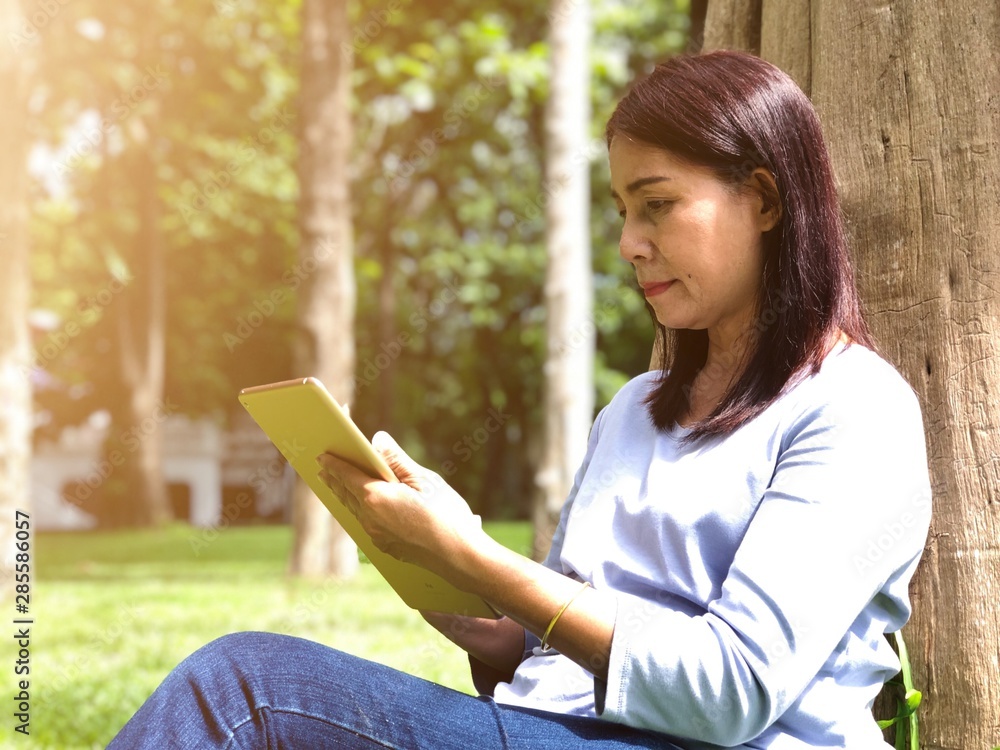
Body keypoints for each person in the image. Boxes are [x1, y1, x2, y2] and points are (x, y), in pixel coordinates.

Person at [107, 50, 932, 749]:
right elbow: (541, 652)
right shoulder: (637, 410)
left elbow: (731, 690)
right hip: (558, 729)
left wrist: (479, 558)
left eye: (658, 205)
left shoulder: (854, 410)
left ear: (763, 199)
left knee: (246, 687)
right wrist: (448, 570)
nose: (628, 243)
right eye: (620, 211)